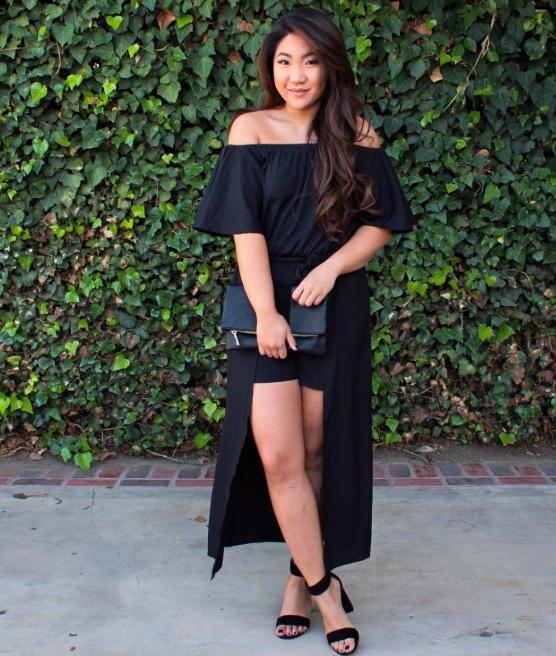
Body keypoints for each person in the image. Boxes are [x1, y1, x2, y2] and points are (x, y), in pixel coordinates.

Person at [192, 7, 417, 654]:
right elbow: (245, 230)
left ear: (330, 67)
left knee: (318, 453)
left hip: (332, 303)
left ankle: (298, 580)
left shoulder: (356, 134)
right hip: (266, 304)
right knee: (279, 456)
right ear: (271, 68)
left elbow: (380, 224)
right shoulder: (251, 128)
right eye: (285, 61)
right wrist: (267, 313)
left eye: (311, 61)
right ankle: (327, 593)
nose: (296, 75)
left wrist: (332, 267)